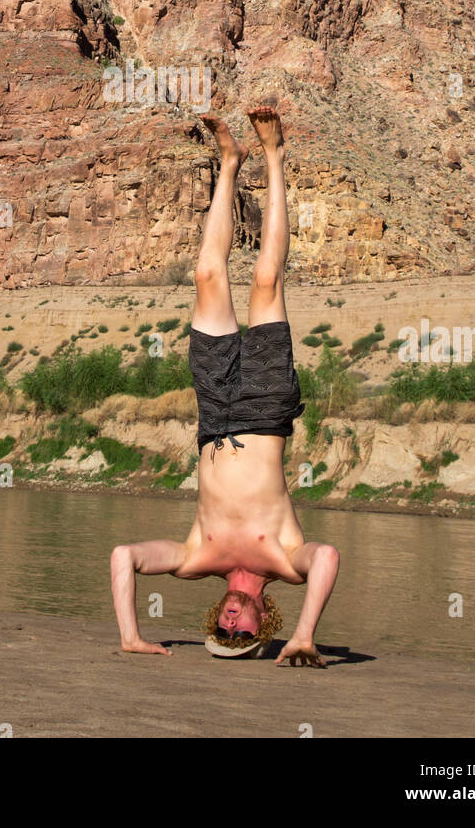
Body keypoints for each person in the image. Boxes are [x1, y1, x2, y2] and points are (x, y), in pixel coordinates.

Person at [110, 106, 340, 665]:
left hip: (214, 412)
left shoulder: (197, 558)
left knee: (207, 276)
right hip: (263, 410)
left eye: (222, 630)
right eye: (243, 635)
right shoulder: (285, 562)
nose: (232, 625)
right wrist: (305, 636)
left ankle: (230, 163)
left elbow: (123, 556)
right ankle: (275, 157)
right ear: (266, 624)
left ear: (215, 615)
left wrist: (131, 635)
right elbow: (327, 556)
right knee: (265, 279)